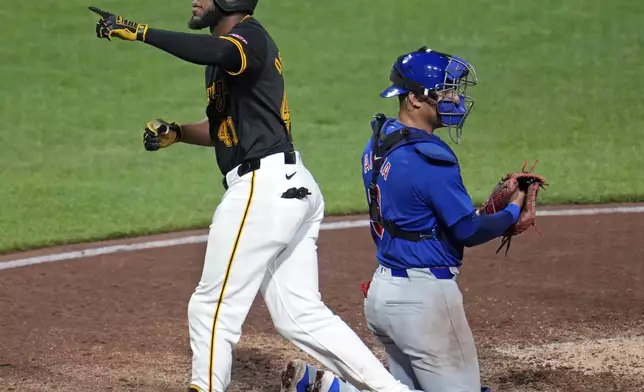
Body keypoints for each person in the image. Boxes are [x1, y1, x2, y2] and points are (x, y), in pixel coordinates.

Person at [88, 3, 423, 392]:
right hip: (287, 186)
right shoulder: (230, 56)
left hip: (263, 188)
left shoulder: (249, 38)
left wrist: (142, 32)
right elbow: (224, 128)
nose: (195, 0)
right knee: (300, 315)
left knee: (212, 307)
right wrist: (178, 132)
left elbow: (220, 51)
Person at [281, 47, 525, 392]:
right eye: (446, 92)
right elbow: (467, 231)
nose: (455, 99)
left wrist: (487, 214)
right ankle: (335, 390)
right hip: (423, 302)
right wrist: (512, 210)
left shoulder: (379, 142)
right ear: (414, 99)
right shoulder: (431, 157)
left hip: (384, 295)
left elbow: (418, 213)